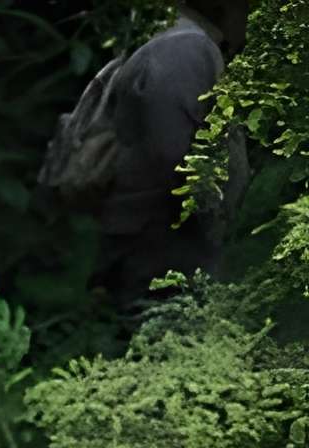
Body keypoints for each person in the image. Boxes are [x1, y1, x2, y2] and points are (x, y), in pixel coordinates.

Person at [42, 8, 243, 306]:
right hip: (160, 259)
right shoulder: (186, 49)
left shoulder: (176, 39)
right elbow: (173, 159)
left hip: (149, 251)